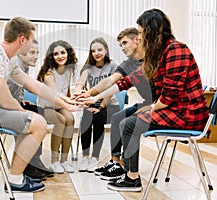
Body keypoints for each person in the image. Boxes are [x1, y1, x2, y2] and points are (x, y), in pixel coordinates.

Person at [81, 8, 208, 192]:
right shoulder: (158, 55)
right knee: (126, 122)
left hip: (187, 115)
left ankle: (132, 178)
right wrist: (93, 96)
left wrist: (151, 108)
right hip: (174, 109)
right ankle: (129, 174)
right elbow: (127, 81)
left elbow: (170, 95)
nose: (139, 37)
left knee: (129, 124)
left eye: (140, 32)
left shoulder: (177, 49)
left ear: (152, 30)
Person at [0, 17, 80, 193]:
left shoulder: (7, 58)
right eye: (32, 39)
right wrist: (27, 115)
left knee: (31, 121)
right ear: (22, 40)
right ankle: (15, 180)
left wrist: (64, 100)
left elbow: (33, 85)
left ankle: (16, 174)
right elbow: (5, 101)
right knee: (38, 123)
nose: (33, 45)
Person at [77, 28, 152, 180]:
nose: (123, 47)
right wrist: (89, 94)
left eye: (125, 43)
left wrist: (96, 99)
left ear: (137, 40)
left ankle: (128, 169)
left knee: (126, 122)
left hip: (158, 104)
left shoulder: (152, 60)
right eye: (120, 44)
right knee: (118, 118)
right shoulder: (127, 64)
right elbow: (111, 81)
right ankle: (115, 162)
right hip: (147, 103)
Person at [7, 39, 54, 180]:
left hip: (14, 103)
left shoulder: (24, 67)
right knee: (32, 118)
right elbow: (5, 91)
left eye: (37, 53)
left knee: (39, 111)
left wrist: (21, 100)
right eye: (32, 52)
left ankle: (35, 159)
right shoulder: (13, 65)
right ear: (20, 53)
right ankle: (28, 164)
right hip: (5, 106)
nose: (36, 56)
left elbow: (18, 88)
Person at [73, 37, 120, 173]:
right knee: (87, 117)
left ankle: (95, 157)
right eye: (93, 50)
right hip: (92, 102)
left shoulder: (113, 66)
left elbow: (111, 90)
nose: (96, 53)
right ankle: (85, 156)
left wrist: (101, 106)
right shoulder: (88, 68)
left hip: (110, 105)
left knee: (98, 116)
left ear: (106, 50)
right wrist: (78, 93)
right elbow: (81, 82)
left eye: (100, 50)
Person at [37, 40, 78, 173]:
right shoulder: (48, 72)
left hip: (59, 106)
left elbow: (66, 91)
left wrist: (74, 99)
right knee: (61, 120)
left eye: (63, 52)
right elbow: (55, 92)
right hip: (45, 108)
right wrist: (68, 102)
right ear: (51, 56)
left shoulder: (69, 70)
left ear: (68, 54)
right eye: (56, 54)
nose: (60, 56)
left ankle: (64, 160)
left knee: (70, 119)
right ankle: (54, 161)